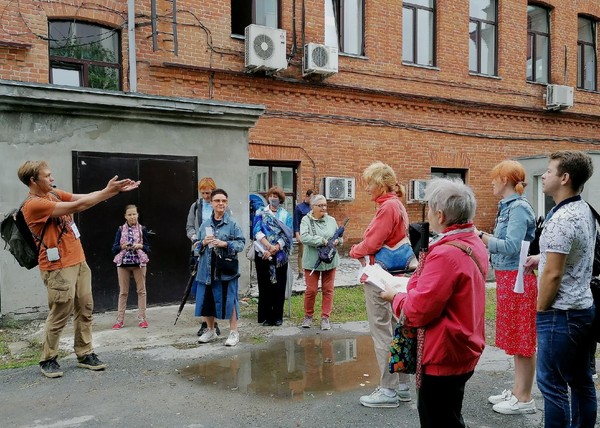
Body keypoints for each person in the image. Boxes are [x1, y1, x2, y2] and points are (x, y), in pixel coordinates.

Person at [17, 160, 140, 378]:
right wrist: (108, 192)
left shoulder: (53, 194)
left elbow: (81, 197)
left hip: (78, 261)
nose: (52, 179)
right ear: (33, 180)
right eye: (47, 176)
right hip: (57, 266)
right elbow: (78, 206)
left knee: (85, 308)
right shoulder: (33, 205)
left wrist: (110, 191)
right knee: (60, 311)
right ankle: (48, 358)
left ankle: (85, 353)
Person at [381, 177, 488, 427]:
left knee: (437, 418)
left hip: (444, 352)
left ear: (440, 214)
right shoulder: (472, 241)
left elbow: (418, 311)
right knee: (450, 414)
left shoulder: (445, 253)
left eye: (429, 208)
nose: (428, 213)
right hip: (463, 344)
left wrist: (395, 297)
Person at [524, 151, 597, 428]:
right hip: (584, 310)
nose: (543, 176)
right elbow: (569, 258)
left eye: (549, 171)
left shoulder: (561, 219)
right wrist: (540, 258)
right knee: (581, 382)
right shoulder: (584, 210)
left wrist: (540, 309)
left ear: (565, 178)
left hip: (560, 314)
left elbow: (553, 275)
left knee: (552, 385)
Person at [349, 161, 414, 407]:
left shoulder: (387, 207)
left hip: (381, 277)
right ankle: (403, 385)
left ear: (381, 184)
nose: (366, 189)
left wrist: (355, 250)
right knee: (400, 328)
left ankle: (388, 390)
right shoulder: (397, 204)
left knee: (382, 331)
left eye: (369, 183)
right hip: (398, 276)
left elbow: (372, 243)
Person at [474, 160, 537, 415]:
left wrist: (483, 237)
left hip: (518, 279)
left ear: (505, 179)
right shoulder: (508, 207)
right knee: (515, 336)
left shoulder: (519, 208)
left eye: (494, 178)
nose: (491, 182)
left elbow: (511, 245)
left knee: (523, 337)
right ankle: (517, 390)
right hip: (508, 277)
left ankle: (524, 398)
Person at [194, 189, 245, 346]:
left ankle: (234, 332)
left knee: (230, 300)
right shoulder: (205, 225)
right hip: (207, 269)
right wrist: (202, 243)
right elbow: (196, 248)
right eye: (217, 201)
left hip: (226, 269)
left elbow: (241, 243)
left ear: (226, 203)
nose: (220, 203)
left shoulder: (232, 224)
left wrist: (225, 244)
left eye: (223, 201)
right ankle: (211, 330)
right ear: (212, 203)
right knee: (207, 300)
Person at [252, 186, 293, 326]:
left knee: (279, 286)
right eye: (271, 195)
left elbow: (287, 235)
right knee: (265, 286)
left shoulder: (286, 215)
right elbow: (256, 231)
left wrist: (276, 247)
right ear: (268, 197)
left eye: (276, 196)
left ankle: (277, 317)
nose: (273, 198)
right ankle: (266, 316)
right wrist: (268, 247)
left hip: (280, 256)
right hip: (262, 253)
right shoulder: (261, 212)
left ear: (281, 199)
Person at [299, 194, 341, 330]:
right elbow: (304, 238)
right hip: (312, 261)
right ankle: (308, 316)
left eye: (325, 205)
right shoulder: (306, 220)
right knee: (311, 290)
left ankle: (325, 318)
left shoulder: (332, 220)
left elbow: (340, 238)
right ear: (313, 207)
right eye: (320, 205)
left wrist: (337, 241)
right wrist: (321, 240)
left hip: (330, 260)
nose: (324, 208)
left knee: (328, 290)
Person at [186, 177, 220, 337]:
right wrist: (195, 238)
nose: (206, 196)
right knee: (201, 288)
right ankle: (203, 322)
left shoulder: (220, 205)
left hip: (216, 251)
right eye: (204, 193)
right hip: (200, 251)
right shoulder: (196, 206)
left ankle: (216, 323)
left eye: (209, 192)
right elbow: (189, 227)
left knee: (216, 287)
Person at [111, 204, 151, 330]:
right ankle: (119, 320)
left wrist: (140, 246)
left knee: (141, 291)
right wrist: (123, 247)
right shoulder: (120, 229)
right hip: (123, 263)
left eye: (134, 214)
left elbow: (148, 247)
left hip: (139, 263)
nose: (132, 217)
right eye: (129, 214)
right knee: (123, 292)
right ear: (125, 216)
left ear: (138, 215)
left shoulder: (142, 229)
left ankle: (142, 318)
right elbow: (114, 248)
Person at [294, 189, 314, 280]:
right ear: (307, 196)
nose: (312, 199)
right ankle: (300, 271)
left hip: (312, 234)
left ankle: (311, 269)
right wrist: (297, 234)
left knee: (312, 252)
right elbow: (296, 222)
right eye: (311, 197)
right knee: (301, 253)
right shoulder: (299, 207)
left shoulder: (313, 208)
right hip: (302, 234)